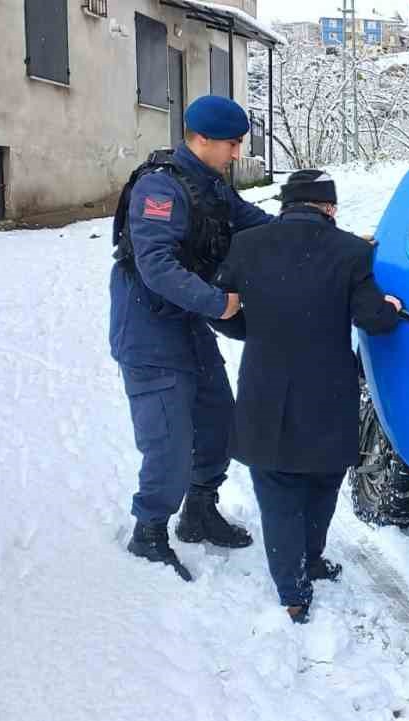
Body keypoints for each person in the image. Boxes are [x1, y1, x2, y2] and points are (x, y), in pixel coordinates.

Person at [214, 170, 403, 622]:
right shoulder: (353, 252)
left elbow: (219, 310)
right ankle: (312, 558)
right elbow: (371, 319)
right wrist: (392, 309)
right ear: (330, 208)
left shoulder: (247, 245)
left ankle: (293, 590)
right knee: (322, 479)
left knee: (276, 487)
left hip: (265, 386)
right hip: (327, 387)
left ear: (285, 204)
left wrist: (252, 331)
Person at [109, 95, 275, 582]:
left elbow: (254, 225)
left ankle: (199, 510)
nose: (237, 152)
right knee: (169, 441)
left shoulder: (210, 185)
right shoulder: (159, 189)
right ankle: (150, 530)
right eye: (231, 143)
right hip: (147, 328)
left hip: (184, 322)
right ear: (200, 139)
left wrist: (315, 233)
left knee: (218, 416)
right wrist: (216, 303)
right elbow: (155, 264)